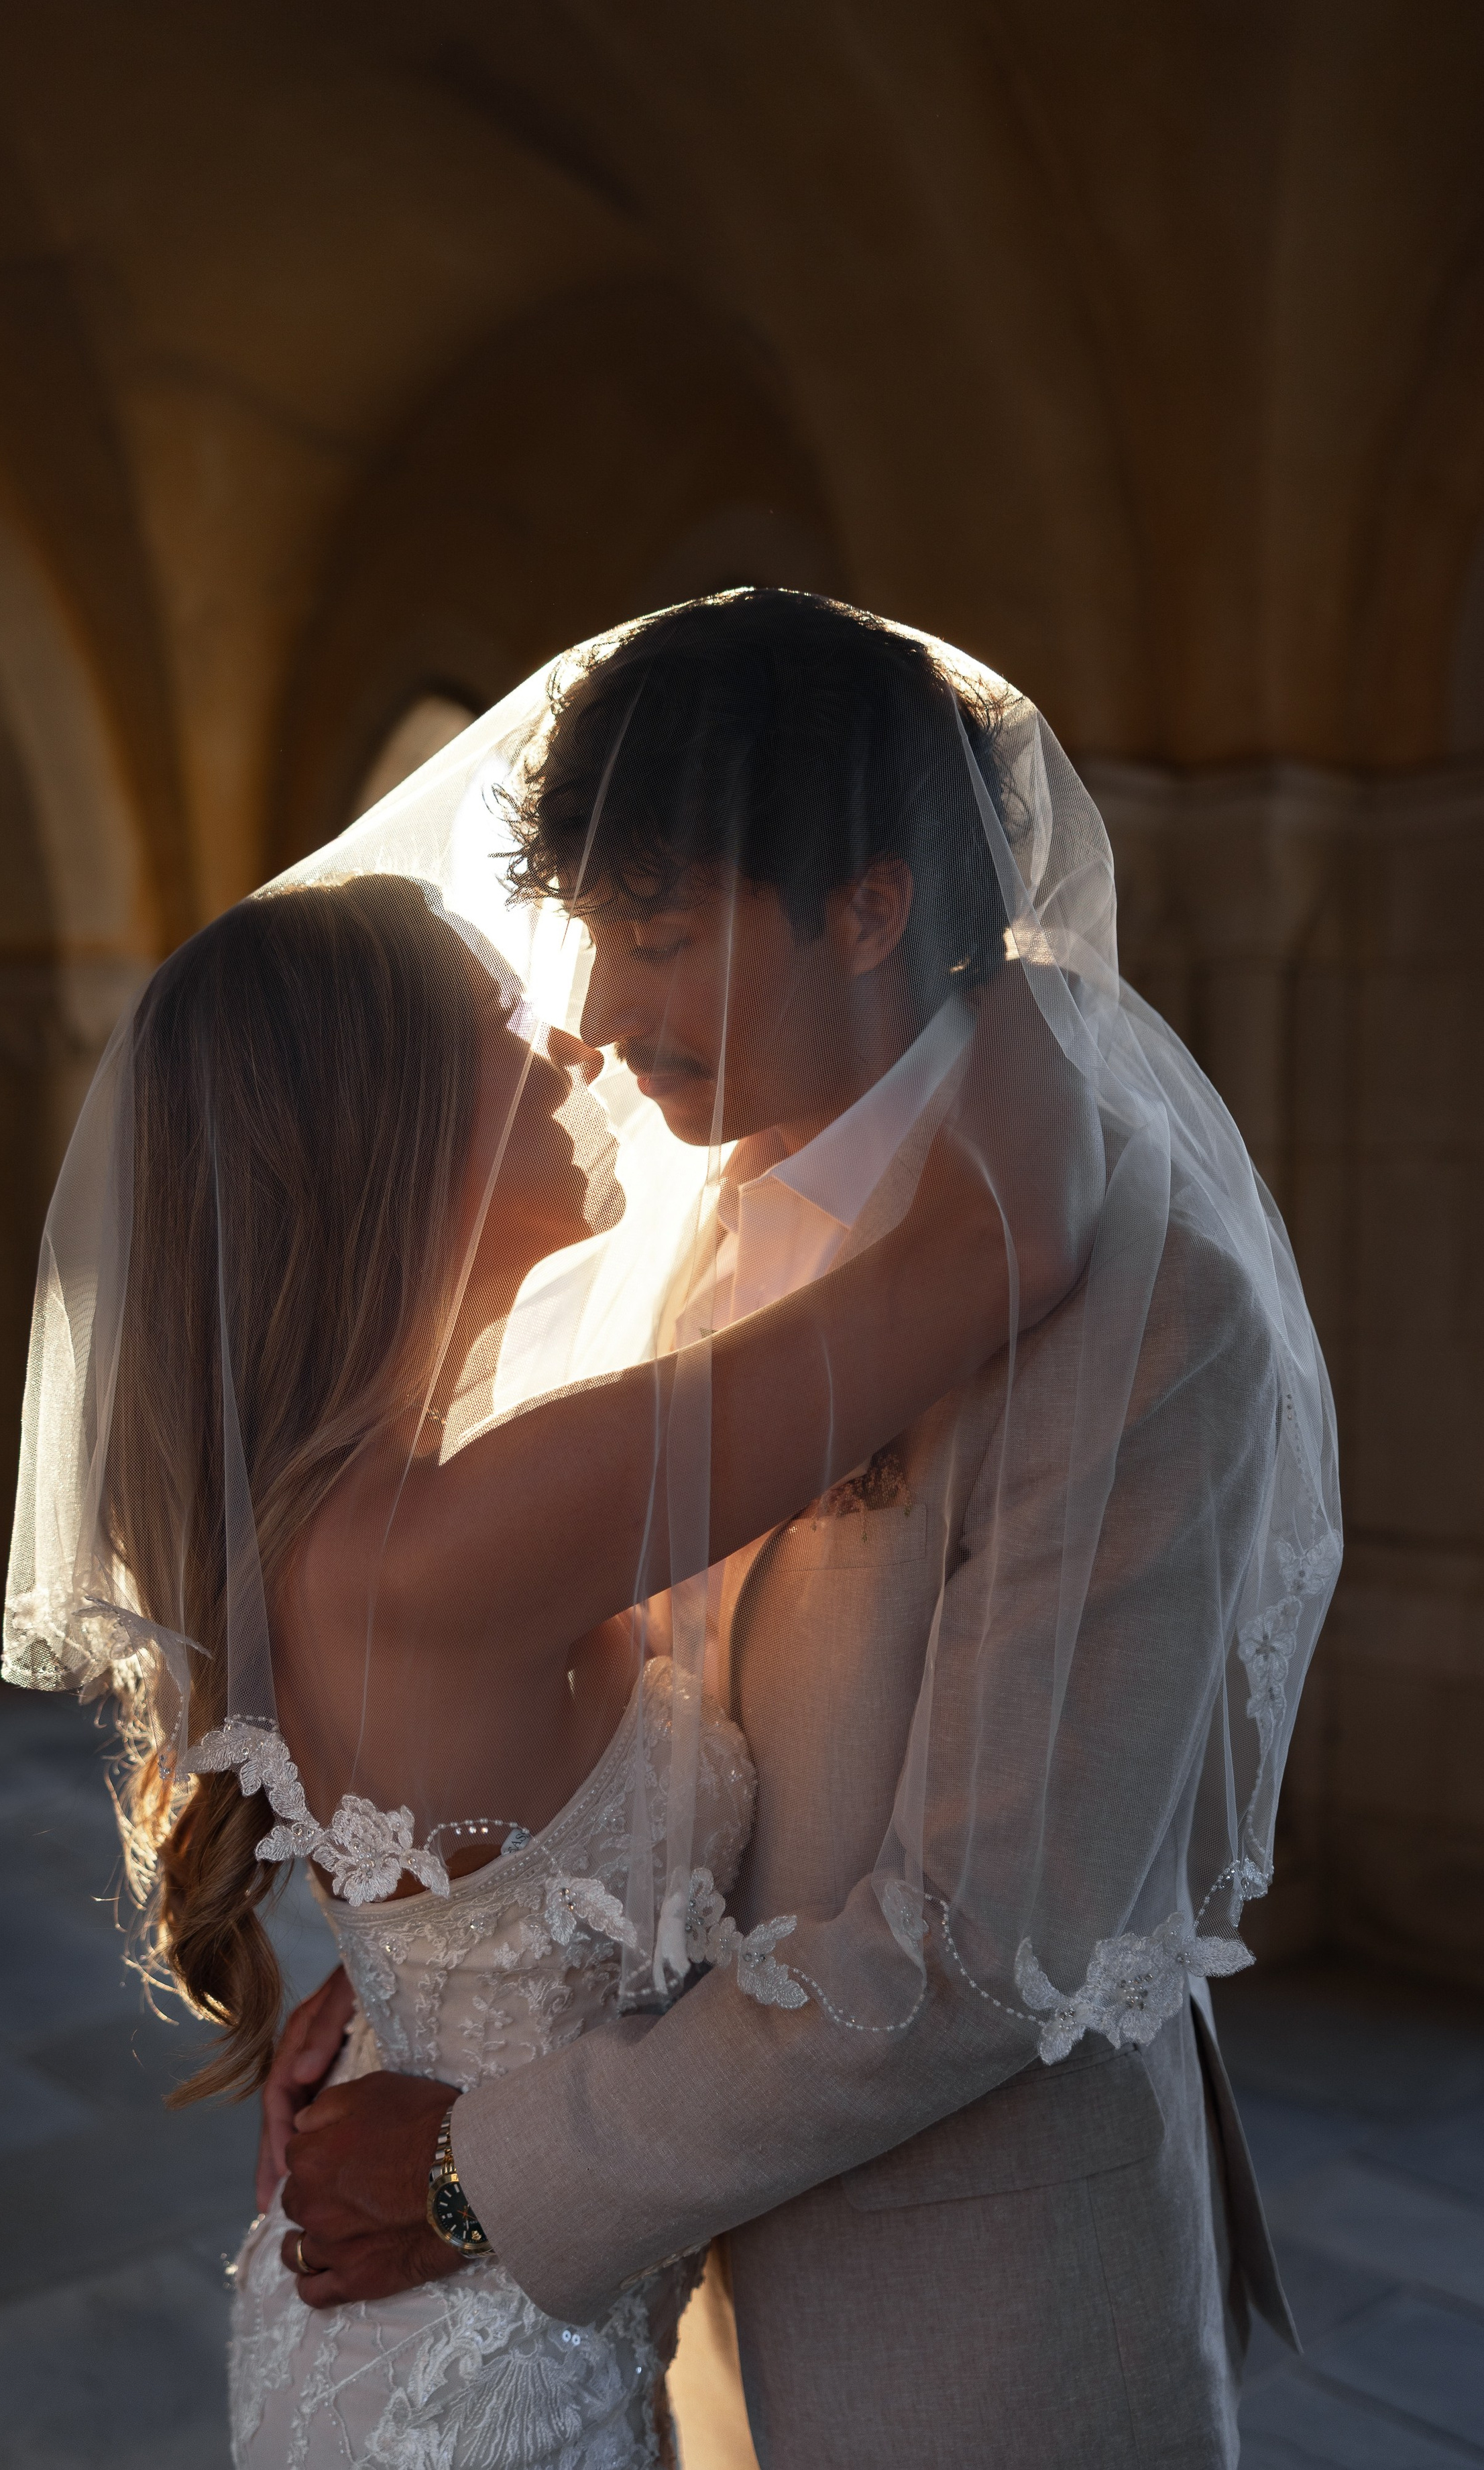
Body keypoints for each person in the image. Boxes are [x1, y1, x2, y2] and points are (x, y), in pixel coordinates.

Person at [253, 593, 1340, 2469]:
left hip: (974, 2349)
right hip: (683, 2312)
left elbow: (982, 1949)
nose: (601, 1020)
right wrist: (464, 1937)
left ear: (867, 903)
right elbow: (653, 1718)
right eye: (594, 940)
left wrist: (472, 2160)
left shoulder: (1148, 1308)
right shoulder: (704, 1220)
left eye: (658, 939)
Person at [0, 761, 1097, 2459]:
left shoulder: (383, 1515)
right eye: (504, 1025)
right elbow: (995, 1257)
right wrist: (979, 948)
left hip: (462, 2330)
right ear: (389, 1125)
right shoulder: (458, 1535)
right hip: (477, 2393)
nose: (576, 1045)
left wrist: (389, 1991)